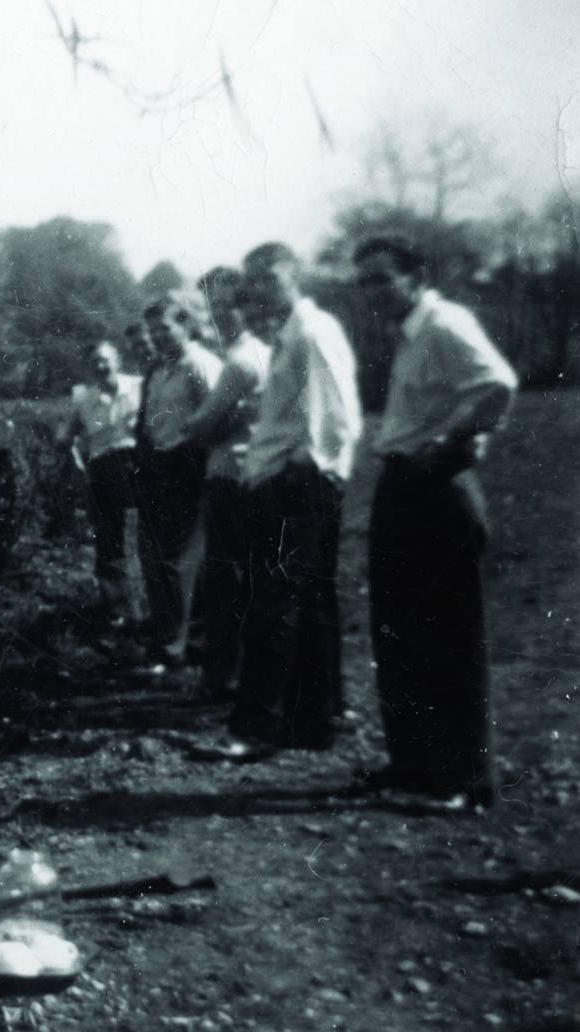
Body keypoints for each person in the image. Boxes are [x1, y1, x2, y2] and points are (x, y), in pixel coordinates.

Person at [353, 235, 517, 810]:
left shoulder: (445, 322)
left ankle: (461, 780)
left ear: (415, 275)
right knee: (401, 630)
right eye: (364, 281)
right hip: (401, 482)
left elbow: (498, 385)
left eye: (382, 278)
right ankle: (416, 764)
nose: (372, 291)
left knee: (447, 634)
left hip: (437, 487)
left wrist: (451, 439)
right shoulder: (409, 335)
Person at [217, 242, 362, 757]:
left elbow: (334, 420)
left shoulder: (313, 331)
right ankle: (312, 723)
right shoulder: (289, 335)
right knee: (308, 604)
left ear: (294, 274)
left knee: (273, 605)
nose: (259, 288)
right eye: (252, 279)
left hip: (297, 486)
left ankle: (256, 726)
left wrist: (295, 478)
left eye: (269, 277)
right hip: (291, 482)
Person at [179, 268, 272, 699]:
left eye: (226, 307)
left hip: (231, 476)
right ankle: (236, 672)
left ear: (247, 308)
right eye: (212, 308)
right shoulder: (258, 353)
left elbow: (198, 427)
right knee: (236, 577)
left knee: (224, 579)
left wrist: (205, 423)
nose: (218, 317)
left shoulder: (239, 362)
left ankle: (223, 676)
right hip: (243, 471)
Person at [138, 295, 223, 662]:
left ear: (186, 326)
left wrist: (192, 458)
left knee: (179, 558)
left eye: (166, 328)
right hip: (158, 465)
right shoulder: (159, 369)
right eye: (153, 331)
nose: (159, 336)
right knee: (154, 555)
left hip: (187, 465)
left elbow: (216, 417)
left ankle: (179, 642)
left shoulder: (200, 365)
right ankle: (169, 633)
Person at [69, 340, 143, 614]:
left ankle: (149, 608)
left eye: (105, 359)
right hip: (103, 468)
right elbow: (67, 436)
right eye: (94, 363)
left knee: (146, 536)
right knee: (109, 540)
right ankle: (116, 607)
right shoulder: (84, 399)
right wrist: (76, 461)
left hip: (137, 464)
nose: (101, 366)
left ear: (117, 360)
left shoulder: (139, 387)